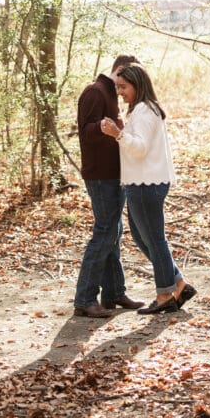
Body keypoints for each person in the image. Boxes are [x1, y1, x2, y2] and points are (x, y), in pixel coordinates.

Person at [101, 63, 196, 315]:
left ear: (137, 84)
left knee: (154, 240)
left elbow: (140, 147)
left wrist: (116, 134)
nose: (120, 92)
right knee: (146, 240)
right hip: (141, 183)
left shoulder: (145, 111)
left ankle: (165, 295)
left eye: (123, 87)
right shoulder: (144, 109)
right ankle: (179, 284)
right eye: (118, 87)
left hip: (146, 184)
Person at [73, 55, 145, 318]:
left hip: (116, 173)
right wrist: (105, 129)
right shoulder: (95, 91)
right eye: (129, 76)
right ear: (120, 70)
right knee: (105, 232)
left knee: (114, 232)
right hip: (101, 175)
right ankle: (84, 298)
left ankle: (114, 292)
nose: (130, 84)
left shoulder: (111, 94)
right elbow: (86, 132)